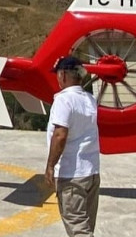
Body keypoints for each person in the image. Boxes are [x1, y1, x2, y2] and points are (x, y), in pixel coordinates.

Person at [45, 56, 100, 237]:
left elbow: (60, 135)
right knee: (86, 226)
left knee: (78, 230)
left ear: (63, 74)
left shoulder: (64, 100)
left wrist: (50, 165)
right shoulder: (89, 99)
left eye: (58, 74)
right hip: (91, 172)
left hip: (72, 175)